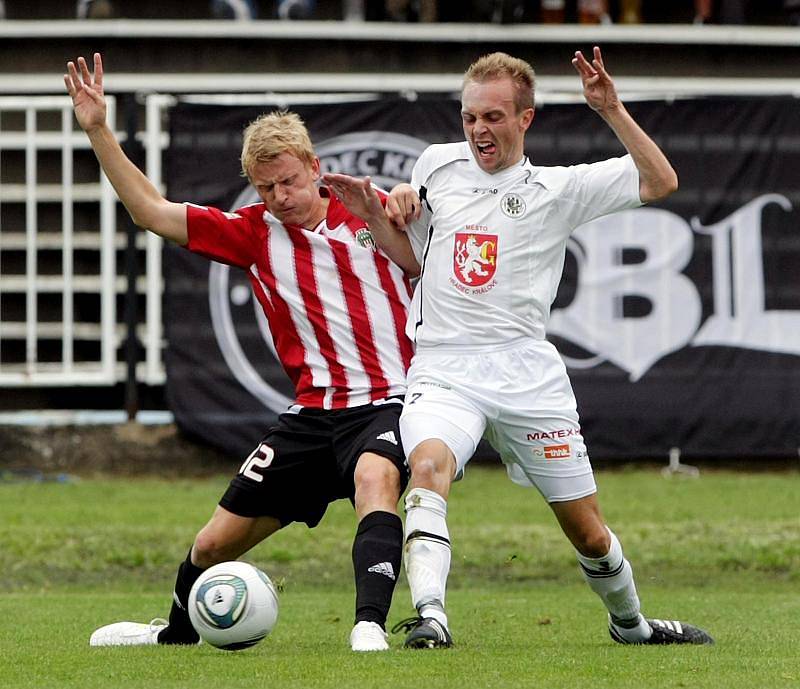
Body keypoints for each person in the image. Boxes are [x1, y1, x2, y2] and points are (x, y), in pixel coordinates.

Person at [323, 48, 714, 649]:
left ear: (525, 119)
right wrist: (379, 216)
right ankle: (432, 618)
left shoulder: (557, 190)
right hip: (445, 367)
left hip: (527, 372)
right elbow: (416, 262)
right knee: (426, 468)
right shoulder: (436, 167)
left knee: (587, 532)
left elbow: (660, 181)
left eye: (494, 117)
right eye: (470, 116)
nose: (479, 129)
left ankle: (631, 624)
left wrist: (610, 109)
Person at [65, 53, 419, 652]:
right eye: (266, 187)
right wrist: (99, 128)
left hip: (391, 400)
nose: (280, 197)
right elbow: (150, 212)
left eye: (289, 181)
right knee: (211, 545)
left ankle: (368, 627)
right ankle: (173, 635)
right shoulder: (252, 233)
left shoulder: (370, 209)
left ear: (315, 167)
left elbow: (436, 225)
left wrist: (411, 198)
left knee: (375, 477)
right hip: (313, 415)